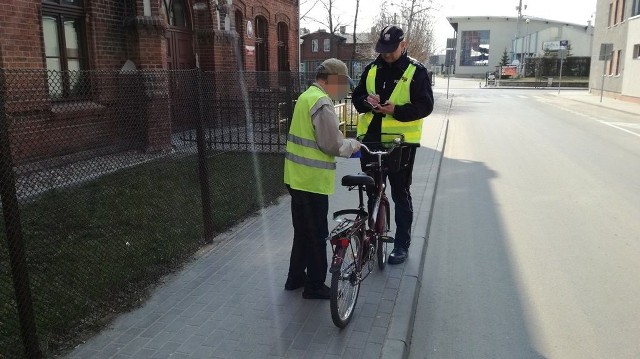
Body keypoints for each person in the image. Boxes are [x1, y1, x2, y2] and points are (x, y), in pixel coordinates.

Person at [351, 25, 434, 265]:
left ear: (403, 45)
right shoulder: (372, 68)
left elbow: (425, 106)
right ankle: (371, 239)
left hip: (401, 144)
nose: (386, 54)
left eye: (391, 50)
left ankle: (401, 245)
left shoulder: (416, 71)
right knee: (372, 191)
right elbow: (356, 98)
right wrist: (367, 101)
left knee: (400, 193)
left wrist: (396, 110)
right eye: (383, 50)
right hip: (371, 140)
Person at [283, 58, 361, 299]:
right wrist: (354, 145)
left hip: (296, 177)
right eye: (341, 83)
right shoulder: (321, 102)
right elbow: (332, 144)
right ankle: (314, 285)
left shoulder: (306, 96)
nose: (343, 89)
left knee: (303, 232)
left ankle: (295, 278)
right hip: (311, 181)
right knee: (317, 234)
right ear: (330, 80)